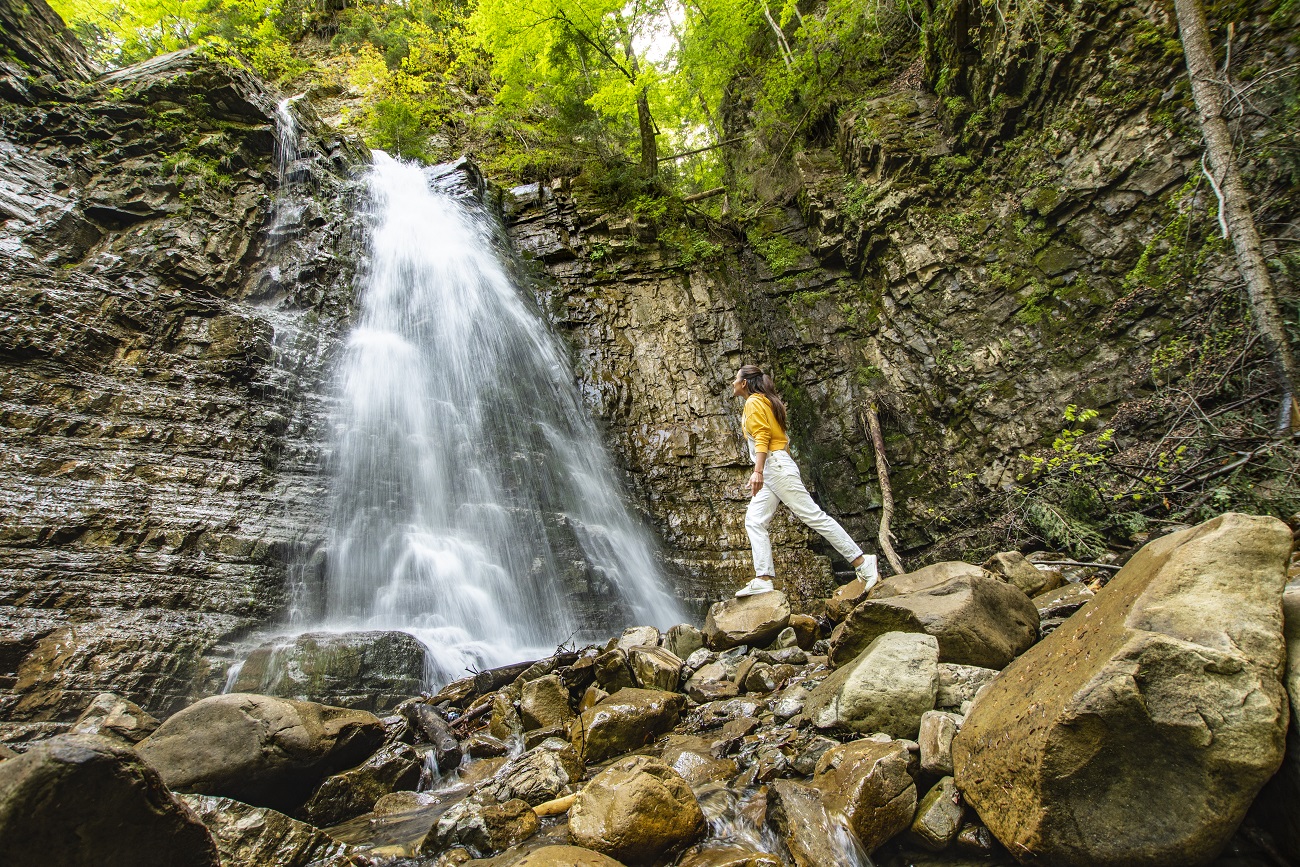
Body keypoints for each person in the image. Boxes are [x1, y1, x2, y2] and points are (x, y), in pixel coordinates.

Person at [732, 364, 878, 597]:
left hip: (774, 466)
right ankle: (763, 578)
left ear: (744, 383)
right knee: (754, 520)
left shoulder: (754, 402)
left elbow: (763, 436)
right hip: (775, 468)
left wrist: (757, 471)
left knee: (813, 516)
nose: (733, 383)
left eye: (735, 379)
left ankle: (862, 562)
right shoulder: (766, 401)